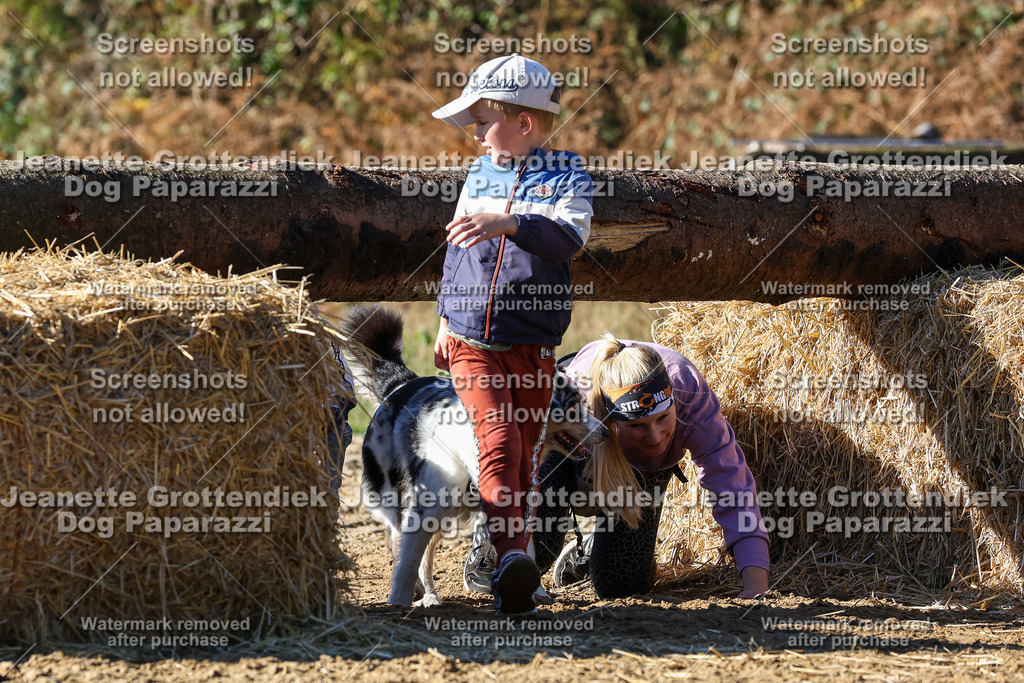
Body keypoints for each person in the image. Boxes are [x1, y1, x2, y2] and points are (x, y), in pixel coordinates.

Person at [431, 53, 594, 614]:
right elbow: (455, 251)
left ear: (524, 123)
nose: (475, 135)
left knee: (525, 458)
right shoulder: (479, 175)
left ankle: (517, 565)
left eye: (482, 122)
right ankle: (508, 560)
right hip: (471, 341)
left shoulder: (567, 175)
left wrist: (511, 223)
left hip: (534, 343)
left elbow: (568, 238)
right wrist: (444, 320)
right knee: (499, 443)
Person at [466, 336, 771, 600]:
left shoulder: (690, 396)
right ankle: (488, 546)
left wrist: (756, 585)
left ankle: (594, 547)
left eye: (663, 419)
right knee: (538, 547)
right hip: (567, 446)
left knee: (623, 584)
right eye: (637, 425)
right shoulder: (574, 398)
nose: (655, 437)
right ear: (610, 419)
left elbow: (732, 487)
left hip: (642, 468)